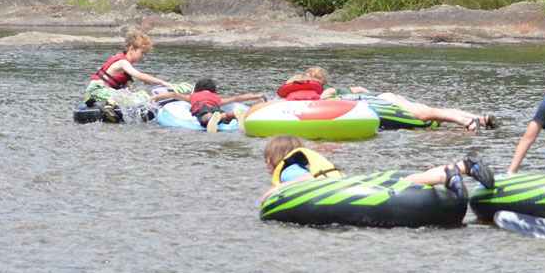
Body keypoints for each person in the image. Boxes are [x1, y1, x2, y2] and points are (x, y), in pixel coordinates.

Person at [259, 135, 495, 202]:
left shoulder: (288, 170)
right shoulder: (299, 160)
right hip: (347, 182)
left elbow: (308, 181)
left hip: (341, 189)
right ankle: (459, 167)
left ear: (272, 159)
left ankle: (454, 172)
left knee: (404, 183)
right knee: (408, 179)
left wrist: (276, 190)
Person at [305, 66, 496, 131]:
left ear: (313, 79)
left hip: (382, 100)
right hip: (381, 96)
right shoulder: (339, 88)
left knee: (424, 113)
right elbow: (360, 88)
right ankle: (480, 118)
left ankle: (466, 122)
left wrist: (319, 100)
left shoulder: (326, 90)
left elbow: (329, 95)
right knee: (431, 110)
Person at [85, 33, 176, 121]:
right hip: (97, 89)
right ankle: (106, 106)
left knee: (136, 96)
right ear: (132, 49)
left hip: (106, 91)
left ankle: (108, 103)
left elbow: (125, 86)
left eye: (145, 54)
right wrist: (163, 82)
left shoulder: (126, 66)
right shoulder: (123, 62)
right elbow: (139, 76)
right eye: (142, 52)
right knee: (121, 94)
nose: (143, 56)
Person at [150, 78, 266, 132]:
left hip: (202, 107)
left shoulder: (193, 97)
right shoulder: (217, 98)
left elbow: (174, 94)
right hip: (215, 107)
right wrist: (256, 96)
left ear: (196, 90)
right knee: (223, 116)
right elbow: (237, 98)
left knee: (205, 116)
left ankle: (211, 118)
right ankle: (234, 114)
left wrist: (156, 97)